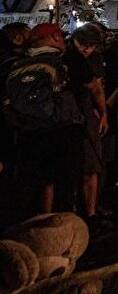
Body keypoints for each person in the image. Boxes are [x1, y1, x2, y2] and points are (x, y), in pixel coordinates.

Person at [5, 24, 83, 215]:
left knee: (32, 181)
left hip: (27, 131)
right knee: (63, 181)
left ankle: (28, 224)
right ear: (55, 37)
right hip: (61, 130)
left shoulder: (15, 65)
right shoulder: (64, 61)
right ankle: (60, 227)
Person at [62, 23, 109, 226]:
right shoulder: (68, 56)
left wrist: (102, 114)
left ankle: (91, 210)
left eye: (91, 46)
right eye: (84, 45)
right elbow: (94, 87)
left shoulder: (94, 59)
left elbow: (98, 88)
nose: (87, 50)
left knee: (92, 163)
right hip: (69, 113)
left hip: (87, 112)